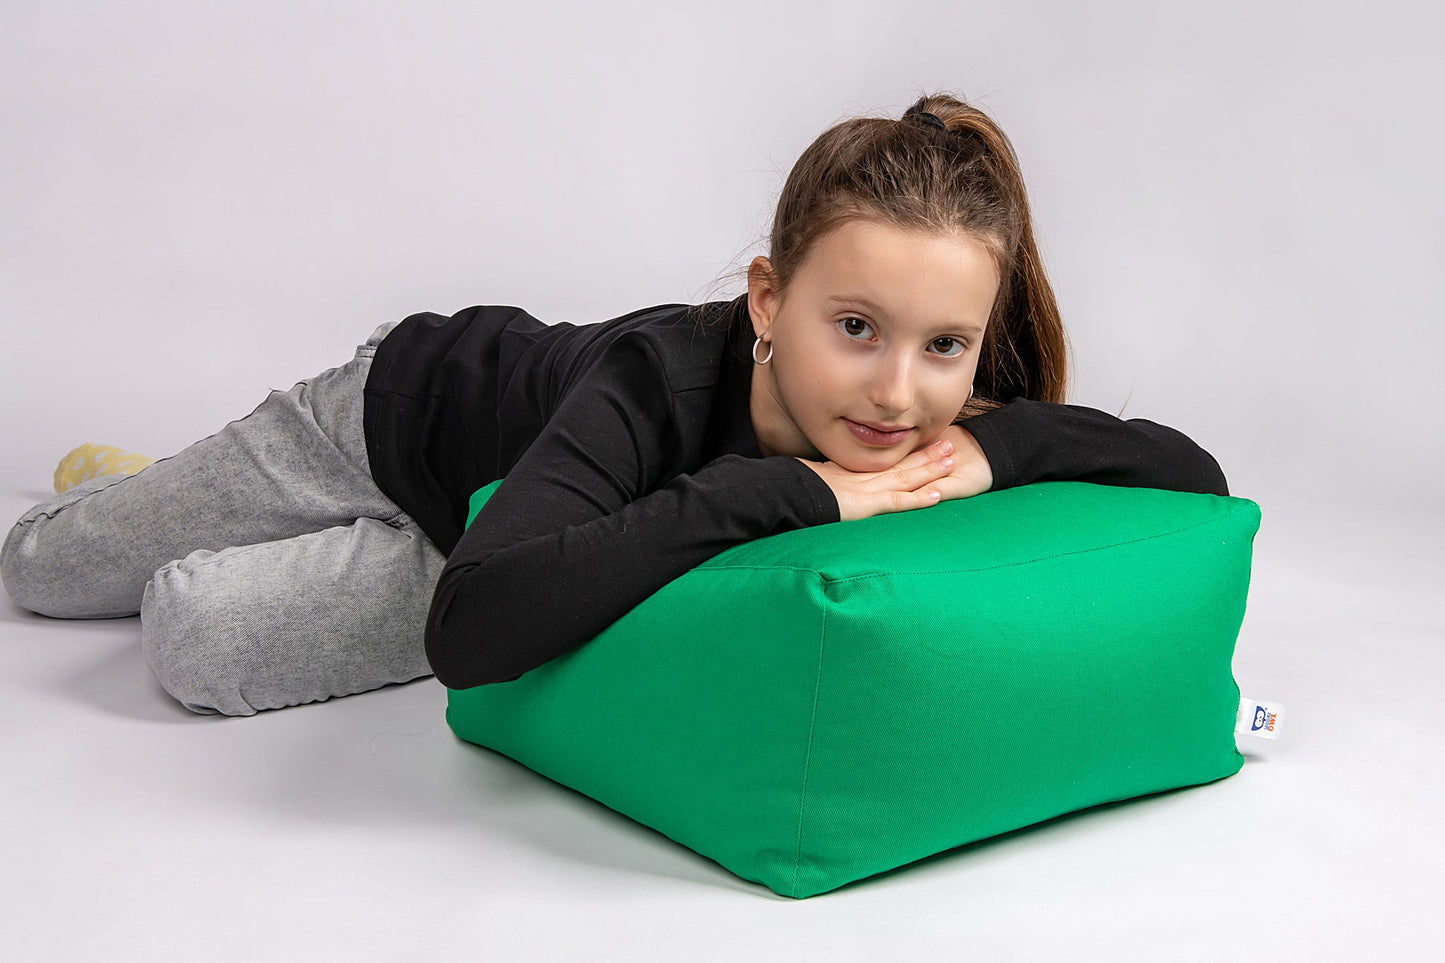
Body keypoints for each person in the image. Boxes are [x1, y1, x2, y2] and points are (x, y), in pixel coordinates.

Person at [0, 93, 1228, 716]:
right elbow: (470, 637)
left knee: (199, 640)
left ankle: (233, 521)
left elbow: (1192, 474)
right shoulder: (656, 381)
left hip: (522, 530)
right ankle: (135, 483)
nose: (897, 391)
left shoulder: (937, 412)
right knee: (46, 574)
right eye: (852, 329)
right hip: (393, 425)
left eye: (941, 347)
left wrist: (995, 446)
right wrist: (791, 490)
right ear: (766, 297)